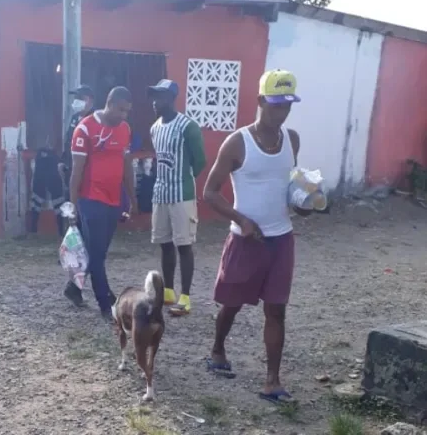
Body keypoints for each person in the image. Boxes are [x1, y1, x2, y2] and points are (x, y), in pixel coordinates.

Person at [203, 69, 309, 404]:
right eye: (277, 104)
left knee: (276, 310)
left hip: (281, 239)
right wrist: (241, 220)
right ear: (261, 100)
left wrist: (304, 203)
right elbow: (210, 192)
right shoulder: (237, 143)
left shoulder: (292, 139)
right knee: (231, 304)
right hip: (246, 240)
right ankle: (218, 350)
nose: (283, 112)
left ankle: (272, 381)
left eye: (288, 105)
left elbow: (289, 185)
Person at [69, 86, 137, 320]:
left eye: (127, 111)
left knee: (97, 251)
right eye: (121, 110)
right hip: (91, 198)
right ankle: (106, 303)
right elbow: (76, 172)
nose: (124, 115)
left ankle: (73, 288)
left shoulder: (125, 129)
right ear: (110, 103)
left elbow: (127, 166)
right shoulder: (85, 129)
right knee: (97, 254)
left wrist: (132, 198)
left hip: (114, 198)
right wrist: (72, 206)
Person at [147, 79, 206, 317]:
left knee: (184, 245)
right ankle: (168, 292)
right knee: (164, 243)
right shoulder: (154, 128)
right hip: (160, 194)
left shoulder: (187, 127)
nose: (155, 102)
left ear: (171, 99)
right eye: (153, 97)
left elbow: (200, 161)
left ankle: (185, 297)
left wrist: (184, 179)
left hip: (182, 195)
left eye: (160, 97)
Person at [61, 85, 95, 306]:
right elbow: (67, 146)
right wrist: (61, 163)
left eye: (80, 97)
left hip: (88, 189)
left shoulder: (95, 123)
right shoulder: (75, 120)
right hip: (72, 185)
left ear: (90, 99)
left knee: (88, 243)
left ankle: (75, 286)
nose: (77, 101)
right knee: (77, 240)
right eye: (75, 98)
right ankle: (74, 285)